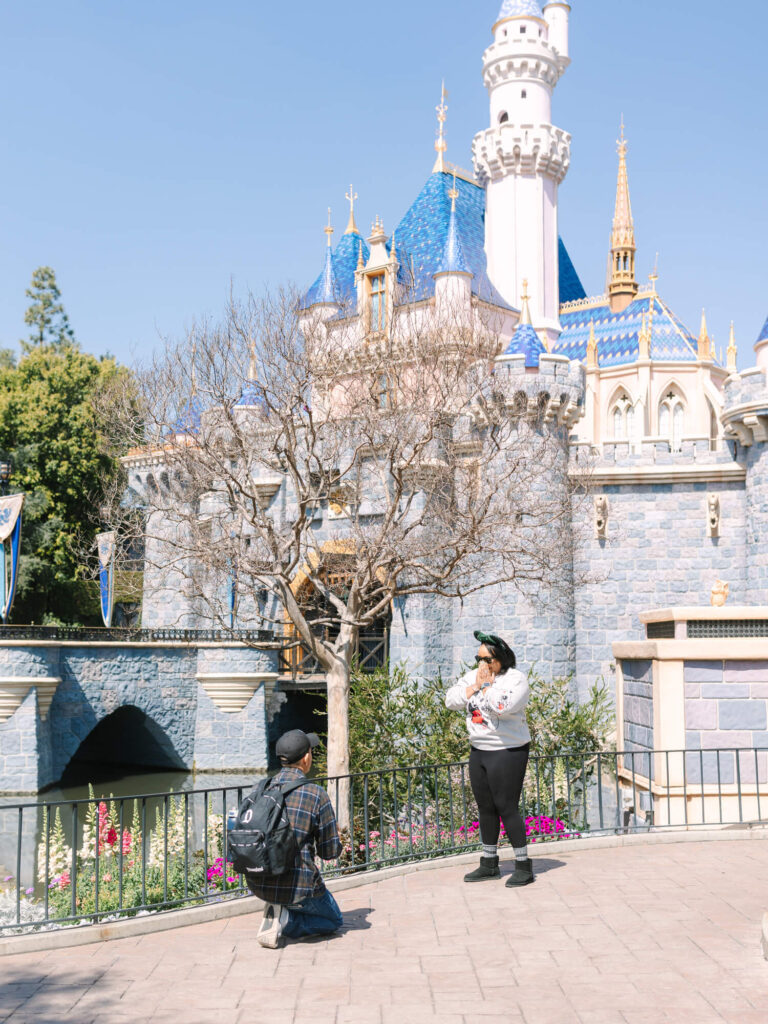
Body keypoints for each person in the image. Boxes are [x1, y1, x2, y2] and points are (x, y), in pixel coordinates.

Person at [445, 630, 534, 886]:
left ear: (501, 658)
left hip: (507, 750)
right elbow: (451, 700)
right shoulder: (473, 677)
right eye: (479, 659)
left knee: (506, 807)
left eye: (488, 659)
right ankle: (489, 864)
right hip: (479, 749)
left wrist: (485, 686)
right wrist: (475, 685)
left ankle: (523, 865)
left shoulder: (516, 679)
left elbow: (501, 707)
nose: (482, 665)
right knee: (485, 808)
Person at [249, 729, 343, 948]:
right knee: (333, 920)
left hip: (258, 881)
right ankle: (286, 920)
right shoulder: (315, 793)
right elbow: (329, 853)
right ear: (306, 758)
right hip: (297, 886)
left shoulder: (259, 788)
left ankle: (279, 910)